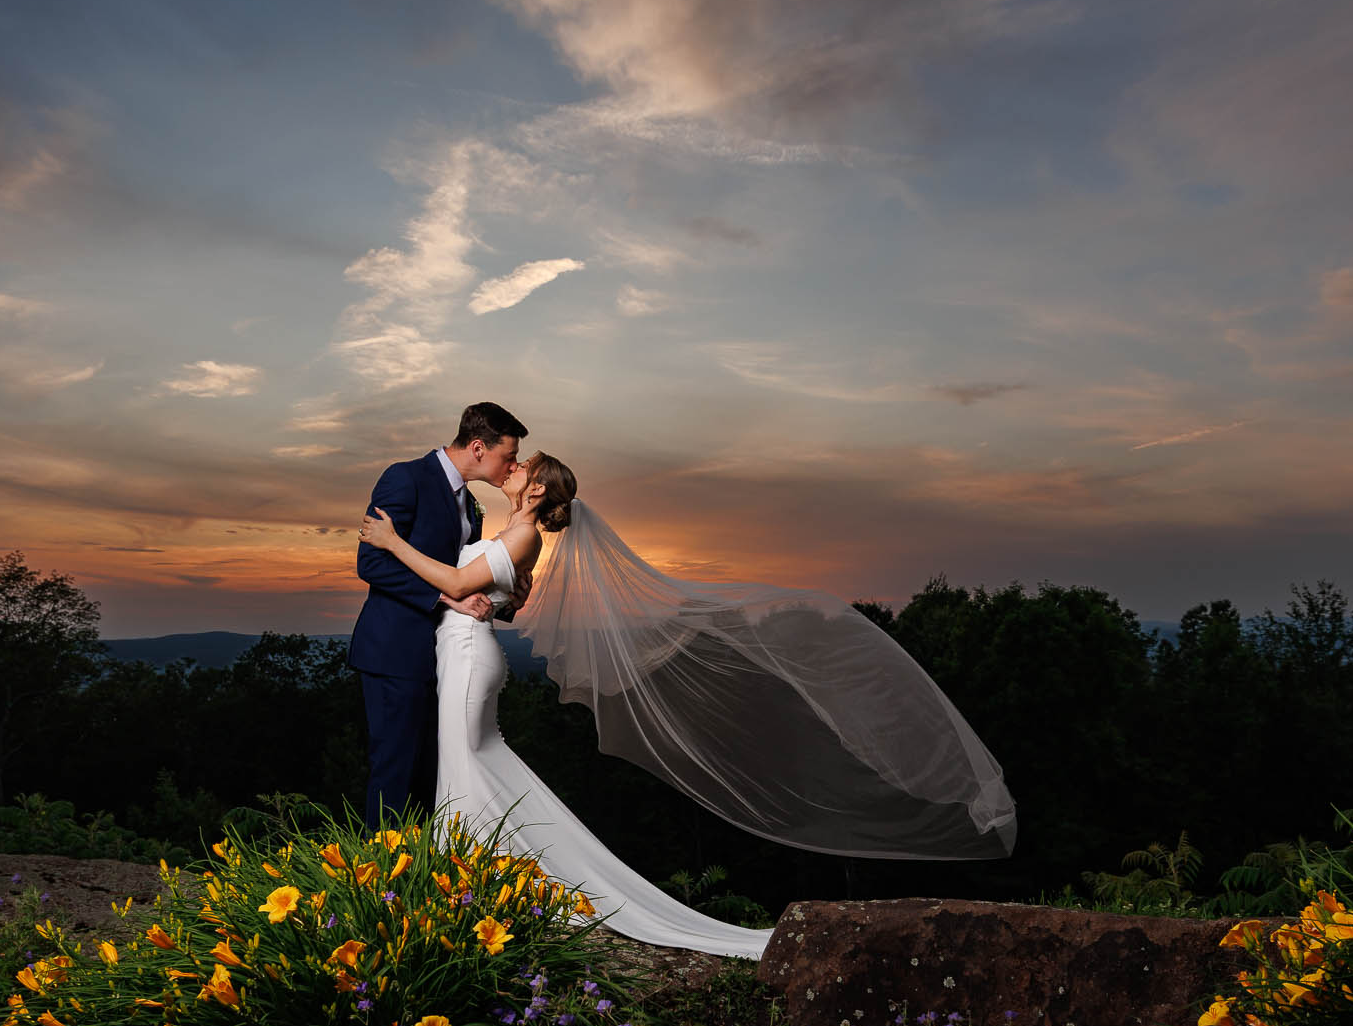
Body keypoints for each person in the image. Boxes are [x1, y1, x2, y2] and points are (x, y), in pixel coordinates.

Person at [359, 451, 1018, 961]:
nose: (515, 467)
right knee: (478, 774)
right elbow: (497, 592)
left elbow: (456, 579)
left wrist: (394, 545)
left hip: (469, 663)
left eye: (524, 467)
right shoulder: (512, 531)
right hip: (464, 655)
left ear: (534, 491)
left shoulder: (521, 533)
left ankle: (494, 896)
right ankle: (479, 891)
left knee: (470, 773)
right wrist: (477, 597)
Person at [350, 401, 526, 822]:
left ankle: (419, 878)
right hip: (395, 650)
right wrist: (447, 598)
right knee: (394, 771)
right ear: (480, 447)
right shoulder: (405, 477)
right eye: (510, 455)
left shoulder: (471, 505)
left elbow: (463, 580)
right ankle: (377, 879)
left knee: (431, 775)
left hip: (445, 655)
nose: (513, 465)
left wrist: (505, 600)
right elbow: (371, 563)